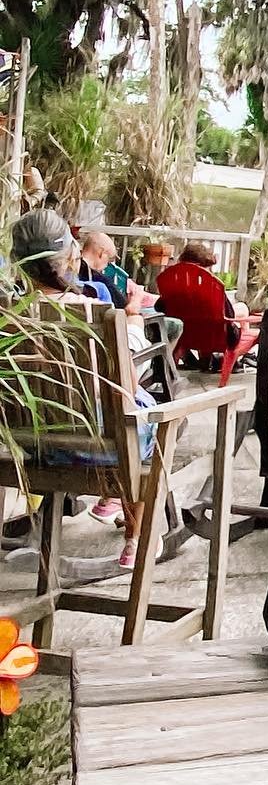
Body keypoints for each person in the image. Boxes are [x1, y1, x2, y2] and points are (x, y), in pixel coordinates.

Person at [10, 211, 158, 567]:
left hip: (36, 449)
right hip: (107, 452)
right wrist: (134, 324)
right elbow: (127, 385)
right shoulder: (95, 311)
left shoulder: (10, 315)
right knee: (151, 416)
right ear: (70, 255)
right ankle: (134, 540)